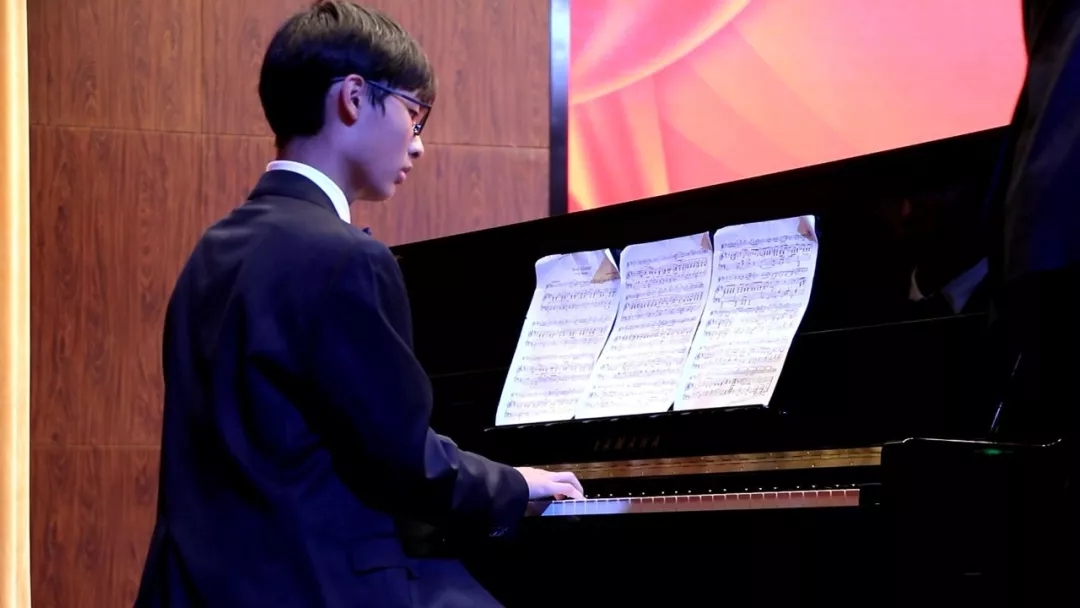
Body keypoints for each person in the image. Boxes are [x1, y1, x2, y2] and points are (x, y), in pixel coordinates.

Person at [133, 2, 583, 606]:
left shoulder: (212, 249)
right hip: (316, 583)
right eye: (414, 115)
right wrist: (514, 484)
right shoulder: (346, 258)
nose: (418, 145)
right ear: (352, 97)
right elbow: (407, 462)